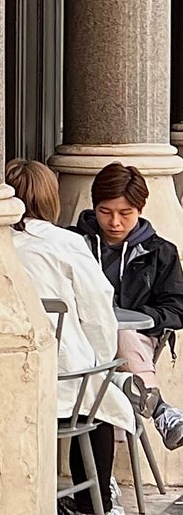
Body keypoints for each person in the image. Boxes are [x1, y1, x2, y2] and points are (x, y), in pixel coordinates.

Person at [6, 160, 145, 515]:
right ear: (52, 199)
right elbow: (99, 310)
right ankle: (92, 509)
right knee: (100, 399)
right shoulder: (64, 243)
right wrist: (103, 362)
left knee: (98, 389)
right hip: (61, 379)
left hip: (8, 373)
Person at [73, 162, 183, 451]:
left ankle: (102, 478)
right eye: (105, 212)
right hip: (82, 340)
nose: (115, 223)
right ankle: (160, 410)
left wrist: (139, 318)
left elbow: (177, 308)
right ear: (94, 207)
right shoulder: (73, 244)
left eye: (126, 214)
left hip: (135, 341)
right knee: (105, 357)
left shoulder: (160, 252)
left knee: (119, 336)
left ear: (140, 209)